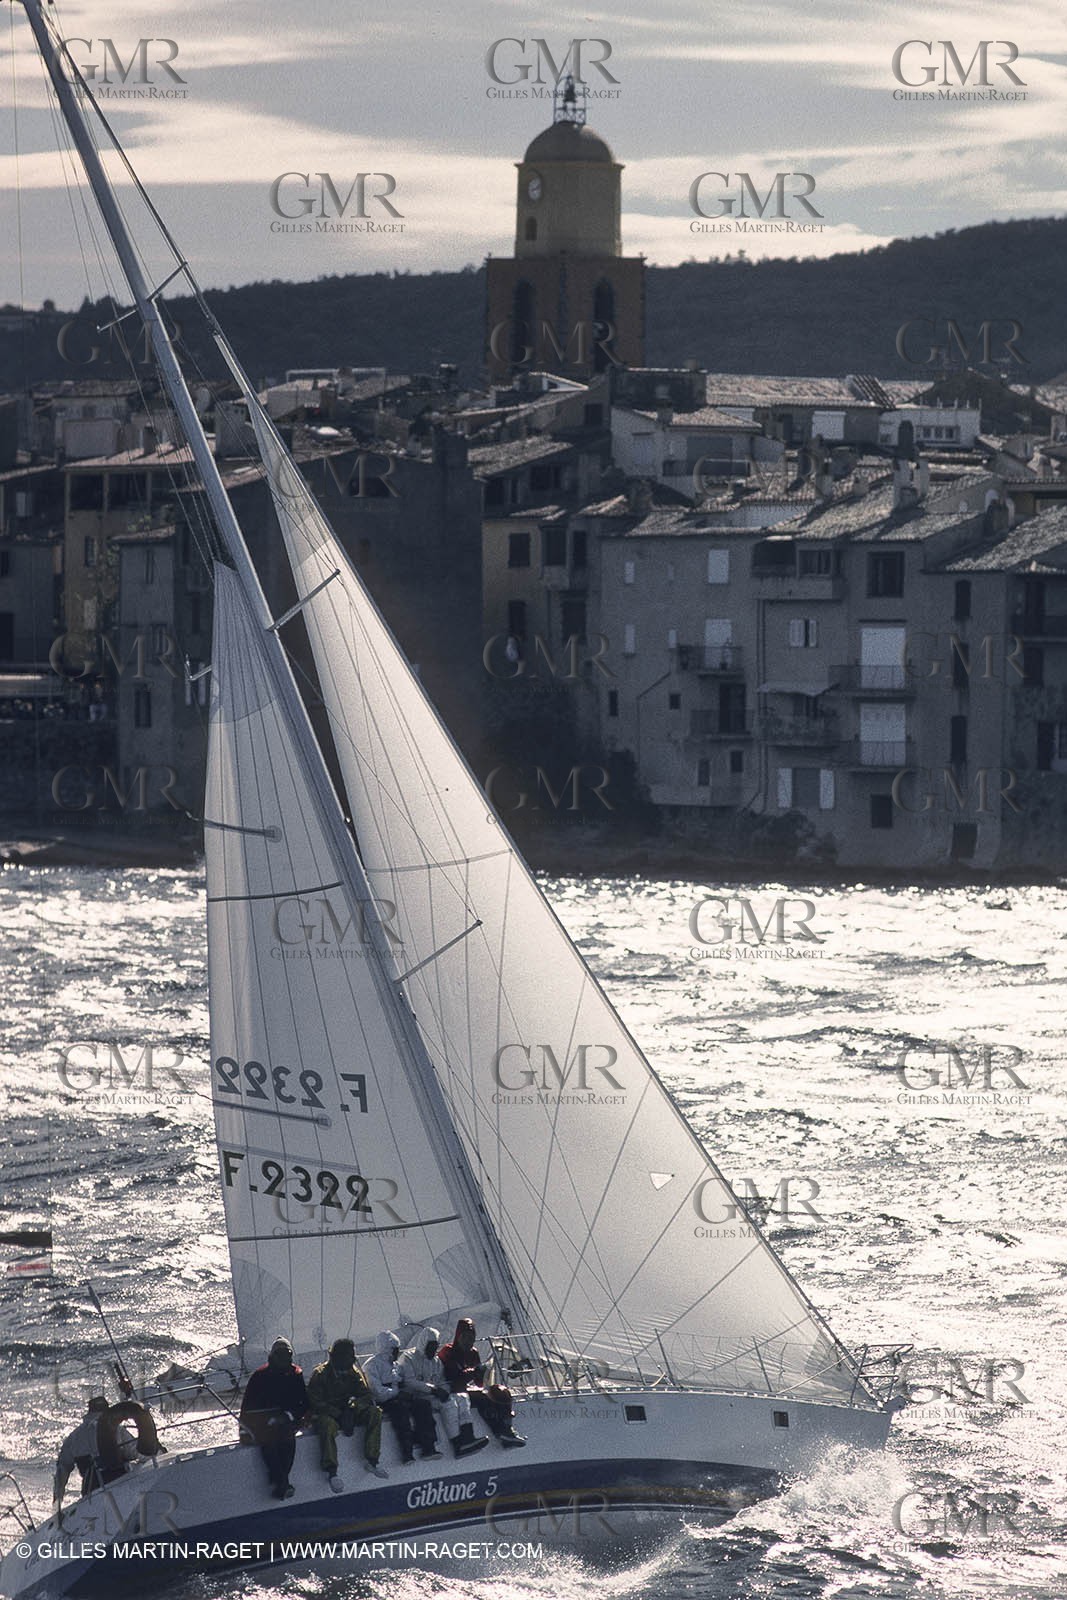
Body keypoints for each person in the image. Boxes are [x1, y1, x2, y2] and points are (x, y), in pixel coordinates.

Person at [307, 1337, 387, 1492]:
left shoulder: (353, 1372)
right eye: (349, 1356)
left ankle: (372, 1460)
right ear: (337, 1357)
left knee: (375, 1412)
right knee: (326, 1425)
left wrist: (352, 1407)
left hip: (349, 1412)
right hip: (330, 1415)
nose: (353, 1360)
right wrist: (338, 1413)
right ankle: (332, 1471)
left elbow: (366, 1395)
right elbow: (315, 1402)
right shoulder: (320, 1375)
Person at [399, 1325, 487, 1458]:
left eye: (435, 1346)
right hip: (415, 1396)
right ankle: (457, 1442)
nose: (434, 1349)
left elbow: (442, 1381)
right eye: (431, 1346)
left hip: (431, 1395)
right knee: (448, 1405)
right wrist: (433, 1389)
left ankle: (466, 1437)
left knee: (459, 1399)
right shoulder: (409, 1358)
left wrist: (444, 1390)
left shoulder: (436, 1362)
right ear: (423, 1343)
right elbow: (409, 1381)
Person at [238, 1336, 308, 1500]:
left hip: (288, 1419)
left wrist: (288, 1416)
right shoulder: (260, 1376)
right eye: (280, 1354)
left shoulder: (295, 1374)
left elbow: (303, 1403)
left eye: (287, 1354)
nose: (284, 1358)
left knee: (287, 1437)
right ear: (272, 1356)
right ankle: (281, 1482)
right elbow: (247, 1407)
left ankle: (281, 1480)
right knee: (268, 1440)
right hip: (264, 1421)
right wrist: (244, 1431)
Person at [439, 1318, 526, 1448]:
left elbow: (479, 1382)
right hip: (450, 1390)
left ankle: (507, 1430)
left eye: (471, 1337)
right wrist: (474, 1372)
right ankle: (498, 1431)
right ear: (458, 1336)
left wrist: (481, 1372)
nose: (468, 1341)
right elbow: (453, 1377)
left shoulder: (473, 1352)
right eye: (465, 1337)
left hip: (465, 1389)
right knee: (482, 1399)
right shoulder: (448, 1351)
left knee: (500, 1393)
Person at [364, 1330, 438, 1465]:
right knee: (400, 1411)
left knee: (423, 1404)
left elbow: (400, 1381)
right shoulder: (372, 1365)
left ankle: (428, 1446)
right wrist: (397, 1393)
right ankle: (407, 1451)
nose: (398, 1353)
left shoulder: (395, 1364)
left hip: (397, 1396)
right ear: (387, 1349)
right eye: (395, 1350)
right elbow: (377, 1391)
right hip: (383, 1401)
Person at [53, 1396, 110, 1506]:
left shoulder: (73, 1437)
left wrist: (57, 1500)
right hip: (119, 1480)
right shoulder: (116, 1429)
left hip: (90, 1490)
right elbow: (134, 1452)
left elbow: (62, 1469)